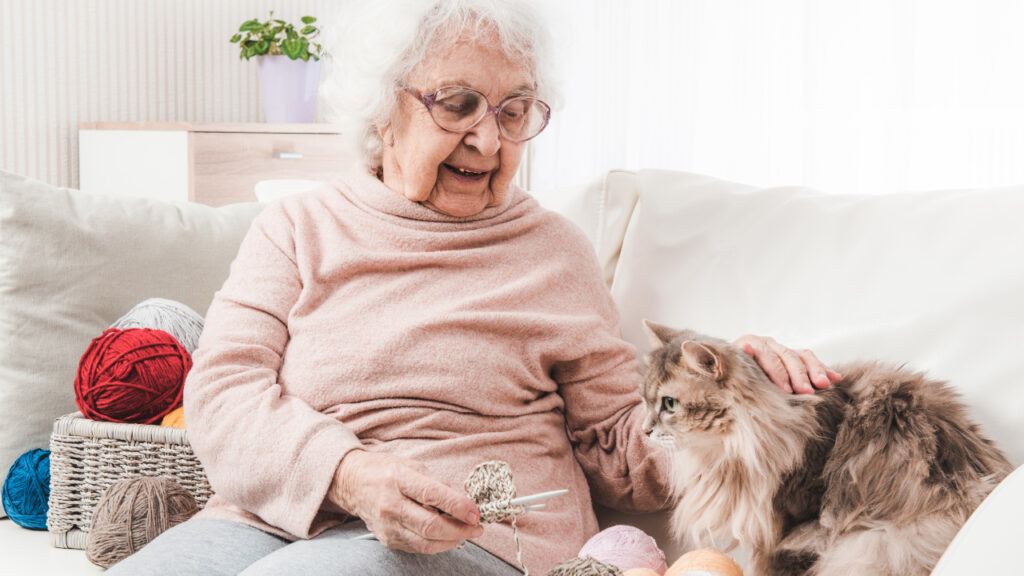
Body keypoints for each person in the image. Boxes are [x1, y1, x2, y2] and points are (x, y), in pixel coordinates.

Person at [107, 1, 839, 574]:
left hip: (484, 538)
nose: (488, 141)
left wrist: (732, 397)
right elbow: (224, 394)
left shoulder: (552, 251)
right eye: (457, 104)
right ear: (382, 108)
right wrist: (350, 475)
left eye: (514, 111)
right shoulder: (297, 227)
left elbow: (622, 449)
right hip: (267, 515)